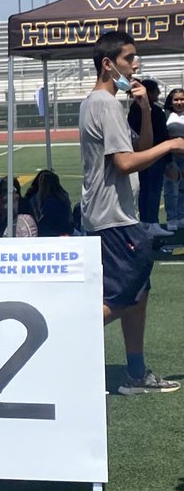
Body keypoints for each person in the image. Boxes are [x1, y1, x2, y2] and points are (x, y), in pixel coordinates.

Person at [79, 30, 184, 394]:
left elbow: (138, 147)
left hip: (117, 214)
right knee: (122, 298)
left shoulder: (109, 103)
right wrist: (172, 144)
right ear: (108, 64)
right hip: (113, 217)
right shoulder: (104, 104)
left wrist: (142, 110)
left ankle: (136, 373)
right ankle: (60, 338)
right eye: (129, 58)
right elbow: (125, 163)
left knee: (138, 293)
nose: (136, 65)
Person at [128, 78, 174, 238]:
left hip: (138, 156)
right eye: (156, 91)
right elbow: (163, 136)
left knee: (144, 189)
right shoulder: (155, 112)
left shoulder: (133, 110)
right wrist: (168, 161)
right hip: (155, 155)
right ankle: (152, 222)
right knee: (153, 189)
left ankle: (145, 221)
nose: (159, 94)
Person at [22, 169, 73, 237]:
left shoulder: (50, 202)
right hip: (65, 232)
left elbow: (44, 223)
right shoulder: (62, 198)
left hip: (51, 234)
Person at [163, 87, 184, 229]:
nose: (179, 102)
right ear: (171, 101)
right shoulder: (166, 115)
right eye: (176, 99)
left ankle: (182, 216)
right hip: (171, 157)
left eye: (182, 99)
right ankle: (171, 218)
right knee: (170, 188)